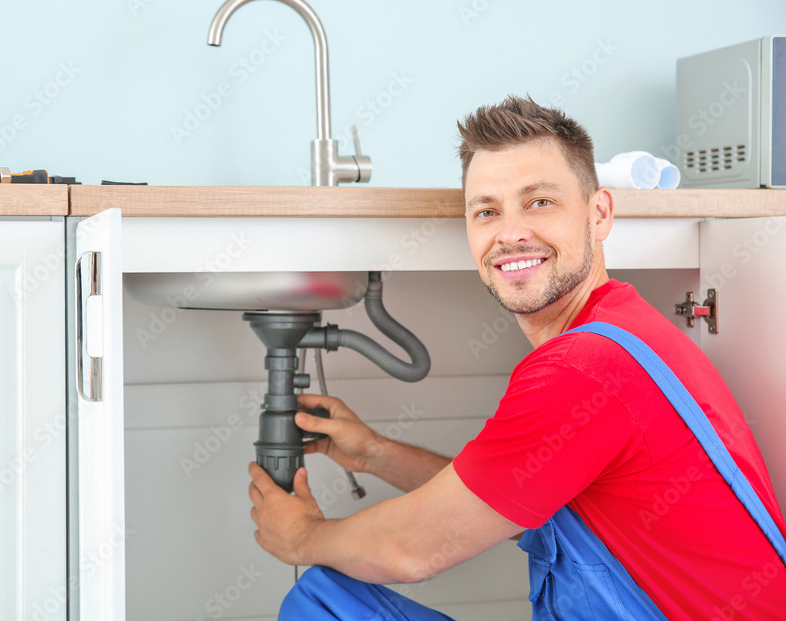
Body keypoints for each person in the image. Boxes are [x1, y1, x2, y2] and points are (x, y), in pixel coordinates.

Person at [247, 95, 786, 620]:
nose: (510, 233)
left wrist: (302, 537)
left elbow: (414, 550)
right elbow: (502, 507)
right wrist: (374, 454)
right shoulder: (620, 333)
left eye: (539, 202)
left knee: (320, 604)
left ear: (598, 214)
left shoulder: (583, 370)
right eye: (487, 211)